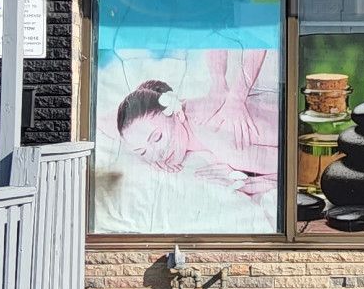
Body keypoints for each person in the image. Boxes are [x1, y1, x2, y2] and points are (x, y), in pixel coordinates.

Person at [113, 48, 279, 196]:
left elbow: (292, 163)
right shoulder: (184, 107)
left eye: (157, 138)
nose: (157, 154)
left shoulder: (225, 141)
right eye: (142, 152)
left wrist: (261, 183)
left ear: (177, 114)